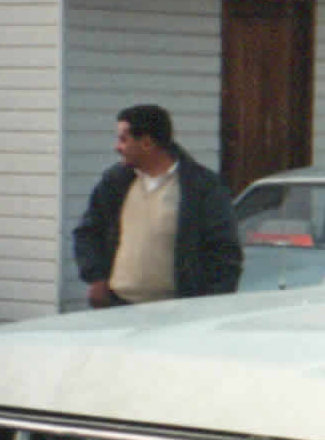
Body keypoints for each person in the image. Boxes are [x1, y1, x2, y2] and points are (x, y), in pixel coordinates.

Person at [73, 104, 242, 307]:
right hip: (117, 307)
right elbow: (88, 232)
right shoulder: (114, 183)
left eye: (123, 140)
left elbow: (224, 252)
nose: (117, 147)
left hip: (176, 313)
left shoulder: (201, 188)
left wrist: (207, 306)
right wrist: (96, 277)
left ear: (146, 143)